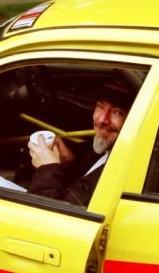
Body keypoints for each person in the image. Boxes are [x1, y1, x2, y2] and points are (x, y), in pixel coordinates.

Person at [27, 79, 131, 207]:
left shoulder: (120, 172)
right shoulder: (111, 148)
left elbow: (46, 217)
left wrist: (47, 168)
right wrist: (70, 161)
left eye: (117, 112)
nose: (102, 119)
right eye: (100, 106)